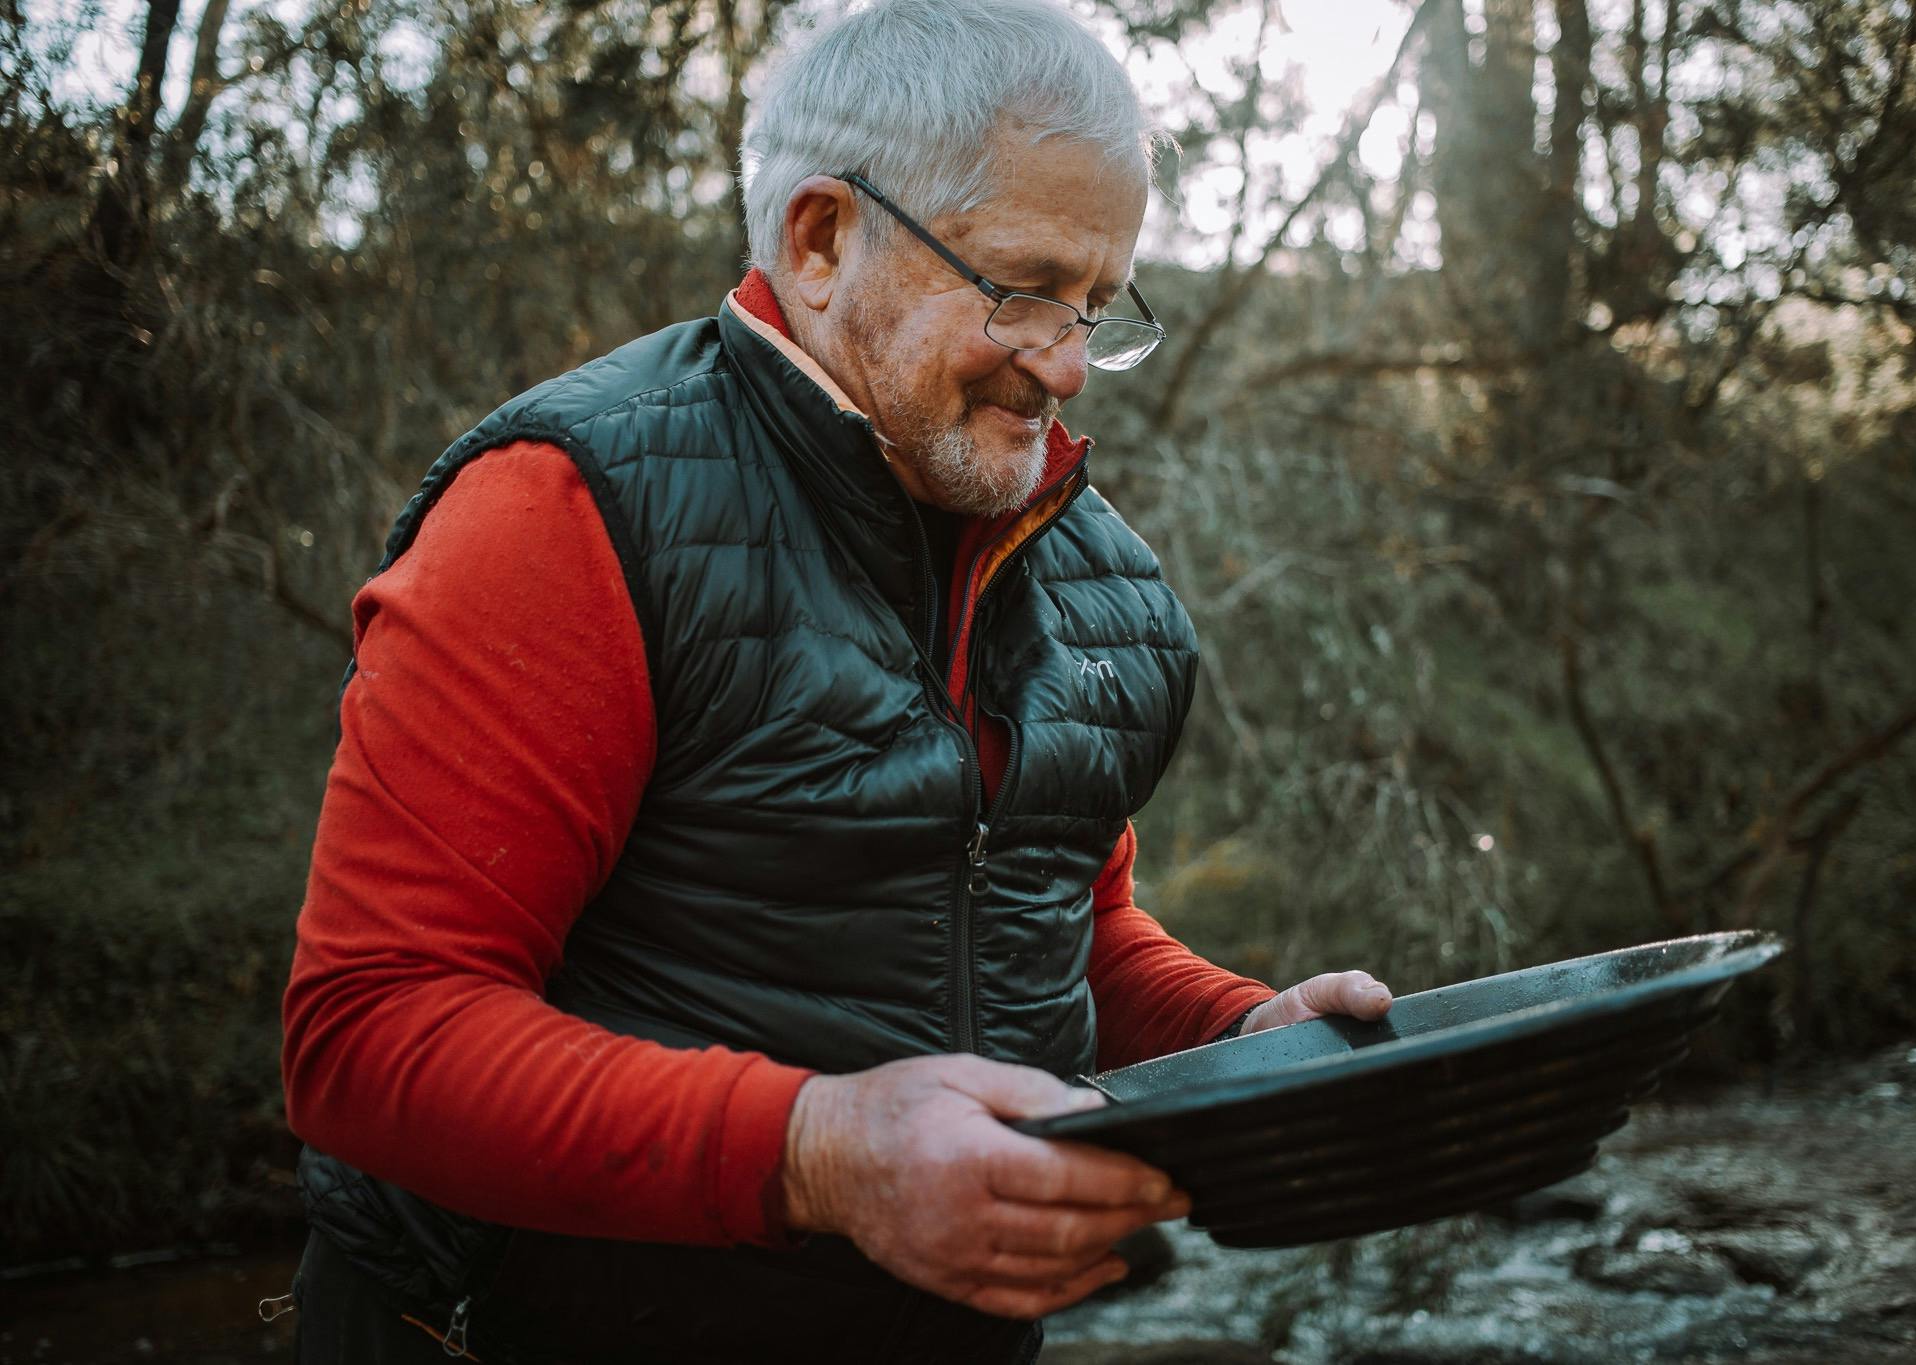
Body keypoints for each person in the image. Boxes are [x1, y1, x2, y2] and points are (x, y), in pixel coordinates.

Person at [278, 1, 1394, 1360]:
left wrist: (1243, 1032)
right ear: (819, 241)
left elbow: (1065, 929)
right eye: (1024, 287)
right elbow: (369, 1032)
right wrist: (820, 1151)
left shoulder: (1103, 580)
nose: (1066, 364)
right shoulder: (566, 512)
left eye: (1099, 308)